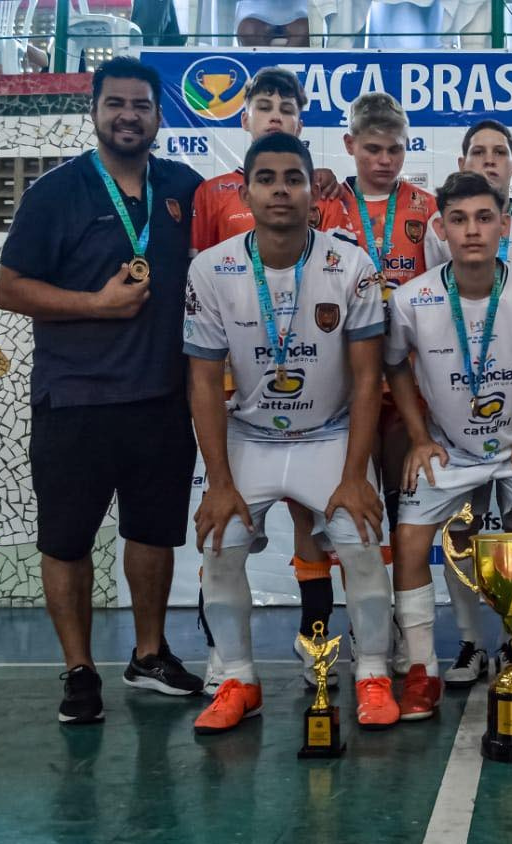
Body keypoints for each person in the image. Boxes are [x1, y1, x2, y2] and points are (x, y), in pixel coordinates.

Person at [0, 57, 203, 724]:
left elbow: (245, 223)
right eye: (116, 103)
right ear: (94, 110)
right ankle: (79, 669)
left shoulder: (184, 188)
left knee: (153, 536)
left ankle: (148, 654)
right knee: (66, 541)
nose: (128, 115)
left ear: (159, 115)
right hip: (74, 400)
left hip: (160, 397)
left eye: (141, 105)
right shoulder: (55, 194)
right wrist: (96, 305)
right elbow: (9, 288)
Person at [184, 132, 395, 733]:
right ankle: (237, 681)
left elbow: (365, 380)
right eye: (268, 178)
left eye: (293, 178)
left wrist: (355, 475)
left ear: (313, 190)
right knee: (220, 543)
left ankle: (373, 673)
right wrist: (218, 482)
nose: (281, 190)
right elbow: (202, 384)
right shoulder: (213, 267)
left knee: (358, 539)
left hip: (328, 436)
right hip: (249, 436)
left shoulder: (350, 263)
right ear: (246, 190)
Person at [384, 170, 512, 719]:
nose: (472, 231)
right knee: (412, 542)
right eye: (458, 220)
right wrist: (417, 438)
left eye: (485, 218)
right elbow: (393, 367)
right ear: (440, 228)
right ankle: (421, 670)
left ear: (504, 224)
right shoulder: (413, 298)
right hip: (449, 450)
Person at [191, 65, 344, 696]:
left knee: (315, 530)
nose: (276, 112)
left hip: (315, 401)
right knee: (221, 535)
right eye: (265, 103)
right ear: (244, 115)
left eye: (288, 105)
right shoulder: (212, 195)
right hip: (238, 403)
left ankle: (316, 647)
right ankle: (223, 660)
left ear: (302, 122)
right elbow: (197, 292)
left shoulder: (320, 192)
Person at [319, 92, 437, 678]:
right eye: (373, 149)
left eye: (395, 149)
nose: (385, 160)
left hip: (414, 388)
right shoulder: (325, 208)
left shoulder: (430, 208)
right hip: (345, 390)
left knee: (405, 510)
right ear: (350, 146)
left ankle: (407, 627)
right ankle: (368, 625)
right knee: (357, 519)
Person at [425, 120, 512, 274]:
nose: (489, 161)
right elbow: (431, 286)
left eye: (500, 152)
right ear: (462, 165)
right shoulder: (440, 224)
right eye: (478, 152)